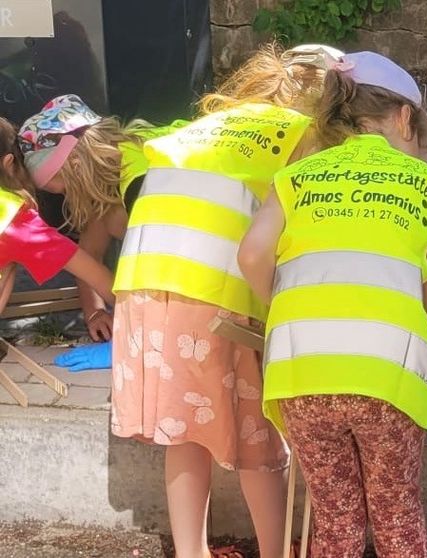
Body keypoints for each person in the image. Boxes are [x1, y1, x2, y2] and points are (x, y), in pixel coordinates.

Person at [50, 43, 342, 558]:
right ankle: (276, 552)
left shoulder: (204, 128)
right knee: (258, 439)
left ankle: (192, 552)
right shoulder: (303, 136)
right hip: (213, 295)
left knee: (184, 433)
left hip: (141, 291)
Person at [239, 51, 427, 558]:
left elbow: (251, 255)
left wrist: (284, 307)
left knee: (335, 519)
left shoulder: (296, 177)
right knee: (396, 513)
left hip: (301, 370)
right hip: (386, 374)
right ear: (404, 118)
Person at [18, 94, 184, 343]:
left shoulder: (140, 178)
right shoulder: (108, 177)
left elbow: (164, 266)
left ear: (76, 165)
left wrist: (141, 328)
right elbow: (89, 257)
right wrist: (95, 312)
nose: (66, 197)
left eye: (65, 188)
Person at [0, 116, 114, 316]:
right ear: (9, 163)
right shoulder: (16, 219)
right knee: (8, 265)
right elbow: (95, 274)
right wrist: (138, 316)